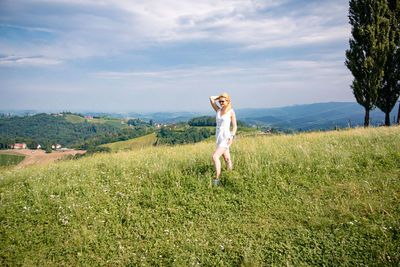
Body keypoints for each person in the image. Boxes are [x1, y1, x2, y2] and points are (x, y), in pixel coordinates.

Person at [209, 93, 237, 186]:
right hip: (218, 136)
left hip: (226, 137)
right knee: (226, 158)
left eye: (223, 101)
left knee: (215, 156)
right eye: (220, 101)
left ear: (228, 101)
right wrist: (220, 96)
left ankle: (217, 179)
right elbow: (211, 98)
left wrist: (232, 136)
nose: (221, 103)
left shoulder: (231, 112)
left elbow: (235, 126)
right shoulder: (218, 110)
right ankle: (231, 175)